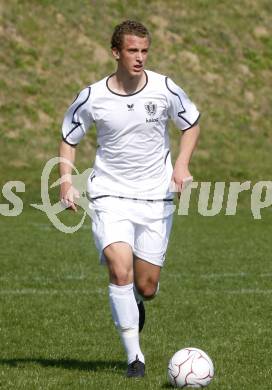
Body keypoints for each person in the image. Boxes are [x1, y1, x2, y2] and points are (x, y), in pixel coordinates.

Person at [59, 20, 200, 378]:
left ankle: (137, 301)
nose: (140, 58)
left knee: (147, 285)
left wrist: (181, 165)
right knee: (119, 268)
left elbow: (191, 124)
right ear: (116, 53)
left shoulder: (164, 88)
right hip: (109, 193)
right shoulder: (93, 96)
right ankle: (134, 357)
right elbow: (69, 138)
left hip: (155, 196)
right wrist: (65, 181)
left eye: (144, 51)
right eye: (133, 51)